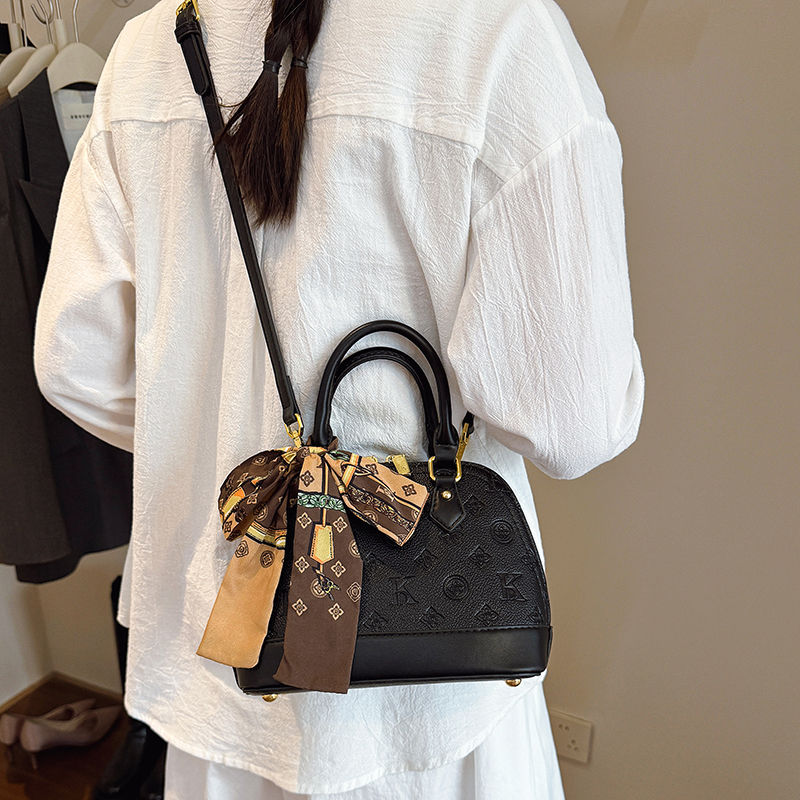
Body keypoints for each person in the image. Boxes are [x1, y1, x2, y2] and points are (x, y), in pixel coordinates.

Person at [32, 0, 645, 797]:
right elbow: (572, 420)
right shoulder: (501, 33)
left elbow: (74, 361)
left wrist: (220, 438)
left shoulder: (150, 49)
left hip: (225, 670)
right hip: (433, 703)